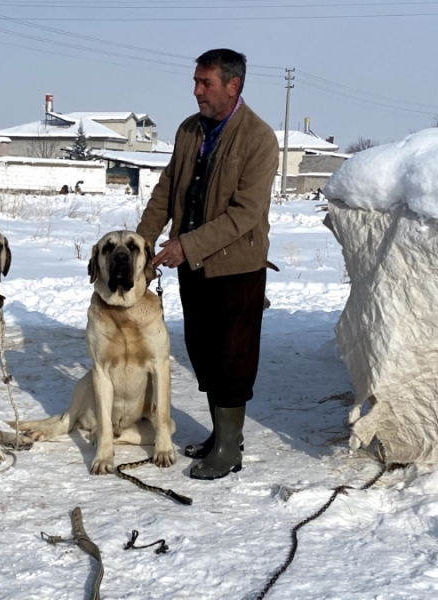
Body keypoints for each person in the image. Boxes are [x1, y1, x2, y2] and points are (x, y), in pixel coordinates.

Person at [136, 49, 279, 481]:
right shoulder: (188, 130)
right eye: (196, 82)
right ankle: (220, 435)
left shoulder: (258, 138)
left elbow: (244, 214)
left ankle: (229, 449)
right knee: (202, 350)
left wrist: (186, 244)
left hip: (236, 268)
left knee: (232, 357)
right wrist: (144, 242)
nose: (196, 90)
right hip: (192, 265)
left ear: (233, 86)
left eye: (206, 83)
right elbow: (167, 188)